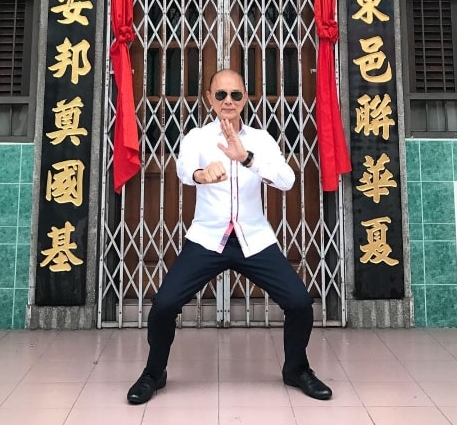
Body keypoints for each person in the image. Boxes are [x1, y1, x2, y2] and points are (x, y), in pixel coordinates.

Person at [127, 68, 332, 404]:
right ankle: (154, 373)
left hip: (253, 238)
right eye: (220, 94)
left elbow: (287, 180)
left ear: (245, 98)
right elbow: (183, 170)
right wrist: (201, 174)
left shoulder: (261, 140)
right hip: (208, 239)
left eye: (235, 94)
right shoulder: (197, 137)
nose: (228, 101)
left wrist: (247, 159)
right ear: (210, 98)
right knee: (163, 306)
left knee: (299, 303)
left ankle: (296, 369)